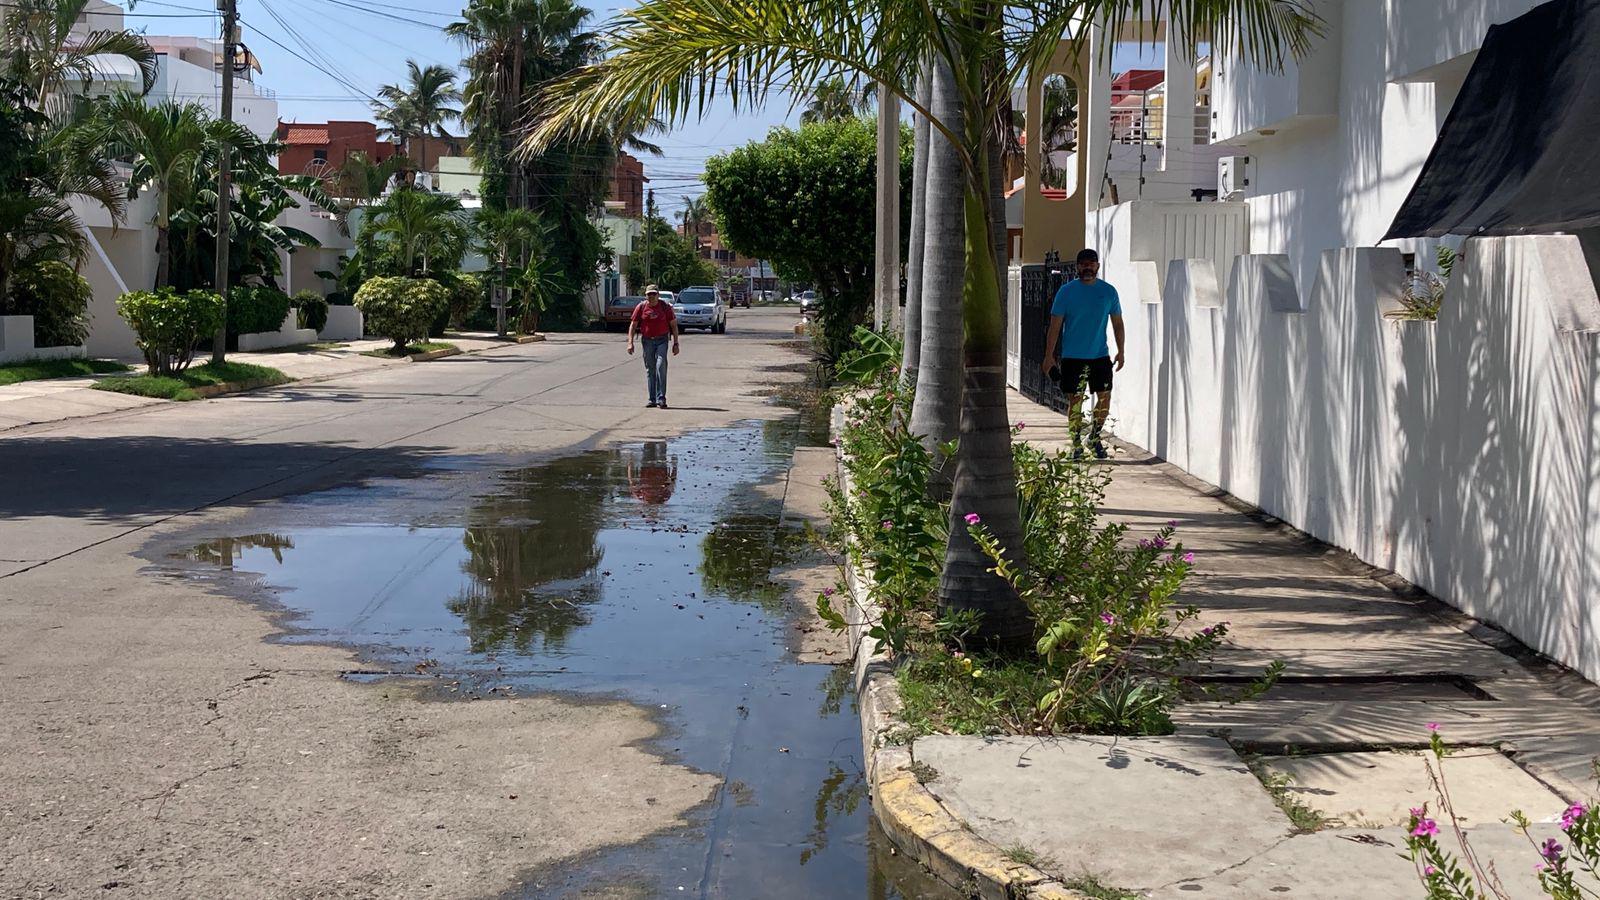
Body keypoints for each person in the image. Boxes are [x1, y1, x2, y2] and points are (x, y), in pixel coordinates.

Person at [1041, 248, 1125, 459]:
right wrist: (1048, 355)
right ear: (1077, 267)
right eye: (1083, 263)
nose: (1088, 267)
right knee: (1075, 401)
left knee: (1104, 398)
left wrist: (1121, 350)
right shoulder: (1066, 292)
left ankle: (1094, 438)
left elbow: (1118, 324)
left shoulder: (1109, 292)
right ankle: (1077, 443)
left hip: (1100, 356)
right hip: (1073, 357)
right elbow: (1055, 326)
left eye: (1091, 263)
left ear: (1097, 265)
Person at [627, 284, 680, 408]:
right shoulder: (641, 307)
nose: (651, 296)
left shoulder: (665, 307)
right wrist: (630, 342)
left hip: (662, 339)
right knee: (650, 369)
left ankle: (661, 397)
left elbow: (673, 325)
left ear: (658, 295)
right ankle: (652, 399)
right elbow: (633, 325)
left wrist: (676, 343)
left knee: (661, 366)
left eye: (653, 294)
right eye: (648, 294)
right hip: (647, 341)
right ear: (646, 295)